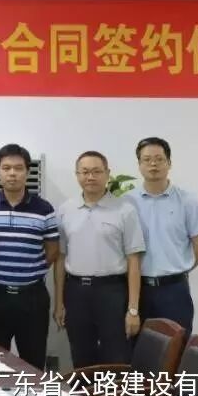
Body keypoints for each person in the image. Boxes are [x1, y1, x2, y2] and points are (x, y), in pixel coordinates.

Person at [54, 151, 145, 368]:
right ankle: (85, 393)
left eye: (96, 171)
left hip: (112, 292)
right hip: (76, 292)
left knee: (116, 357)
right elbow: (60, 258)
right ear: (77, 175)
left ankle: (112, 393)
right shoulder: (66, 210)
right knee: (81, 356)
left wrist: (133, 310)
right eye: (85, 172)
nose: (90, 177)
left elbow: (134, 261)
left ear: (107, 174)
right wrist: (59, 303)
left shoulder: (125, 210)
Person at [0, 144, 58, 370]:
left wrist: (30, 270)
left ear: (28, 172)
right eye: (6, 168)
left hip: (32, 297)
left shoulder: (44, 209)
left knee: (33, 361)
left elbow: (52, 250)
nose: (12, 173)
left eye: (18, 168)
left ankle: (32, 395)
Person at [125, 137, 198, 340]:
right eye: (147, 159)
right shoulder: (127, 202)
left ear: (169, 163)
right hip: (138, 290)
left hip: (174, 291)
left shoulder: (187, 201)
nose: (153, 164)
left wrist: (178, 269)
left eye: (159, 159)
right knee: (137, 349)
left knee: (176, 349)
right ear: (139, 164)